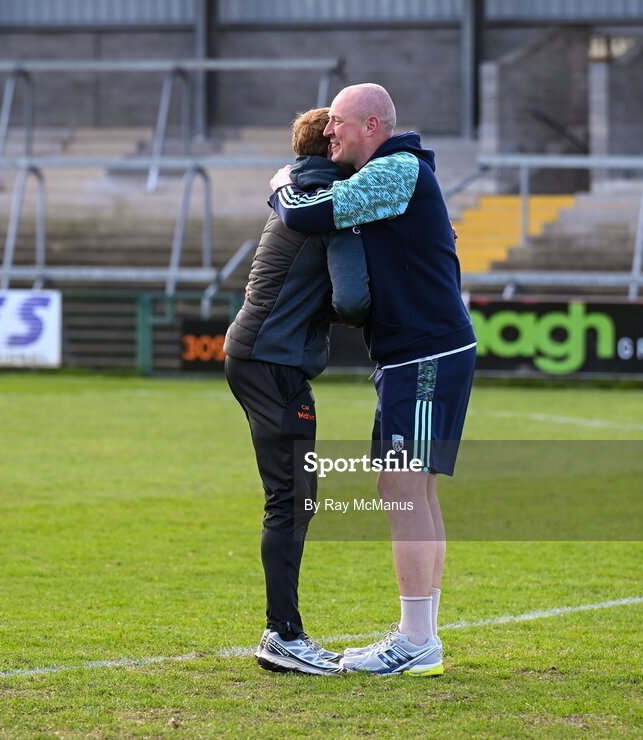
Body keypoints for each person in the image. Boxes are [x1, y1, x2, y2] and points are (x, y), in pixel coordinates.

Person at [269, 83, 476, 677]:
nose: (327, 131)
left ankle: (415, 641)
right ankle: (421, 637)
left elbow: (304, 212)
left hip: (425, 354)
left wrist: (282, 180)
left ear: (370, 124)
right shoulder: (393, 173)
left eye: (336, 122)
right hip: (421, 352)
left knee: (401, 486)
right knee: (415, 489)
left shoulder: (395, 169)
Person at [224, 107, 370, 676]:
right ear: (333, 147)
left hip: (257, 355)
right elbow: (353, 299)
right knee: (292, 500)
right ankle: (282, 634)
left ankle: (283, 631)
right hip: (275, 363)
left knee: (293, 498)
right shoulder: (330, 203)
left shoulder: (301, 189)